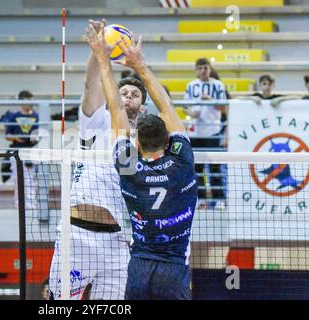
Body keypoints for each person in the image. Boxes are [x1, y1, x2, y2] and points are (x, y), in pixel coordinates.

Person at [87, 26, 197, 300]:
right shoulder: (183, 161)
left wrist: (103, 59)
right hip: (174, 269)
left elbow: (116, 109)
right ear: (170, 139)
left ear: (137, 144)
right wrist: (140, 65)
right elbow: (166, 107)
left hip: (139, 268)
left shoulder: (128, 166)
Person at [48, 19, 146, 300]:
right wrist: (97, 51)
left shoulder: (145, 138)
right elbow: (92, 84)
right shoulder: (99, 121)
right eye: (123, 92)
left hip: (116, 241)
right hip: (77, 235)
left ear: (143, 105)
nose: (127, 97)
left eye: (134, 94)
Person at [182, 58, 227, 209]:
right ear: (196, 70)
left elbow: (223, 108)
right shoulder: (191, 86)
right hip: (196, 133)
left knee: (215, 167)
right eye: (200, 68)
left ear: (210, 69)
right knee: (197, 168)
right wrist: (192, 113)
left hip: (213, 131)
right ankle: (200, 198)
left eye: (205, 68)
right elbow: (184, 107)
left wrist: (210, 100)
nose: (203, 70)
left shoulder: (218, 85)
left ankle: (219, 198)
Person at [0, 90, 39, 209]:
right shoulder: (14, 116)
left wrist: (35, 138)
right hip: (17, 152)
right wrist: (17, 138)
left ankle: (32, 205)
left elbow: (41, 133)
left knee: (32, 180)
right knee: (18, 181)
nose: (31, 103)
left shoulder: (37, 116)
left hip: (32, 152)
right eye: (29, 100)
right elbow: (7, 135)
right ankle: (19, 205)